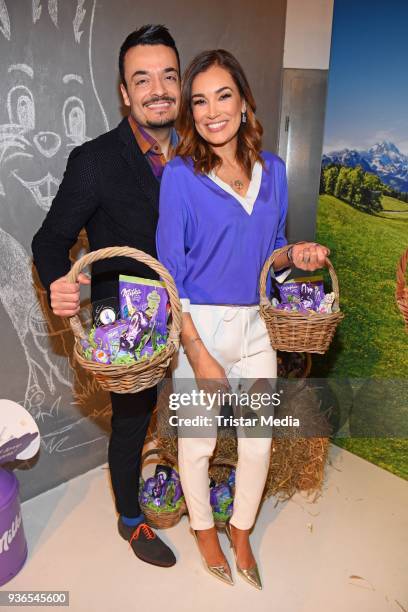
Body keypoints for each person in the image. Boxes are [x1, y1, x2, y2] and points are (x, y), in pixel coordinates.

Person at [156, 49, 330, 588]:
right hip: (199, 326)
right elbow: (168, 272)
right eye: (200, 100)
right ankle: (204, 530)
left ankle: (241, 529)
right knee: (198, 441)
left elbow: (272, 249)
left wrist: (294, 255)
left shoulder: (273, 170)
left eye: (223, 96)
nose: (212, 111)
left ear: (245, 101)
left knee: (259, 440)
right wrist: (198, 352)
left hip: (258, 326)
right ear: (190, 110)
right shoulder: (180, 176)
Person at [31, 25, 181, 568]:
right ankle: (131, 520)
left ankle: (185, 484)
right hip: (129, 318)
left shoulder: (200, 155)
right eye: (142, 79)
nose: (157, 88)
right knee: (133, 419)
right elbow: (49, 241)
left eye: (167, 75)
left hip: (195, 312)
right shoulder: (94, 159)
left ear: (180, 83)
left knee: (196, 407)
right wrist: (60, 283)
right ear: (124, 91)